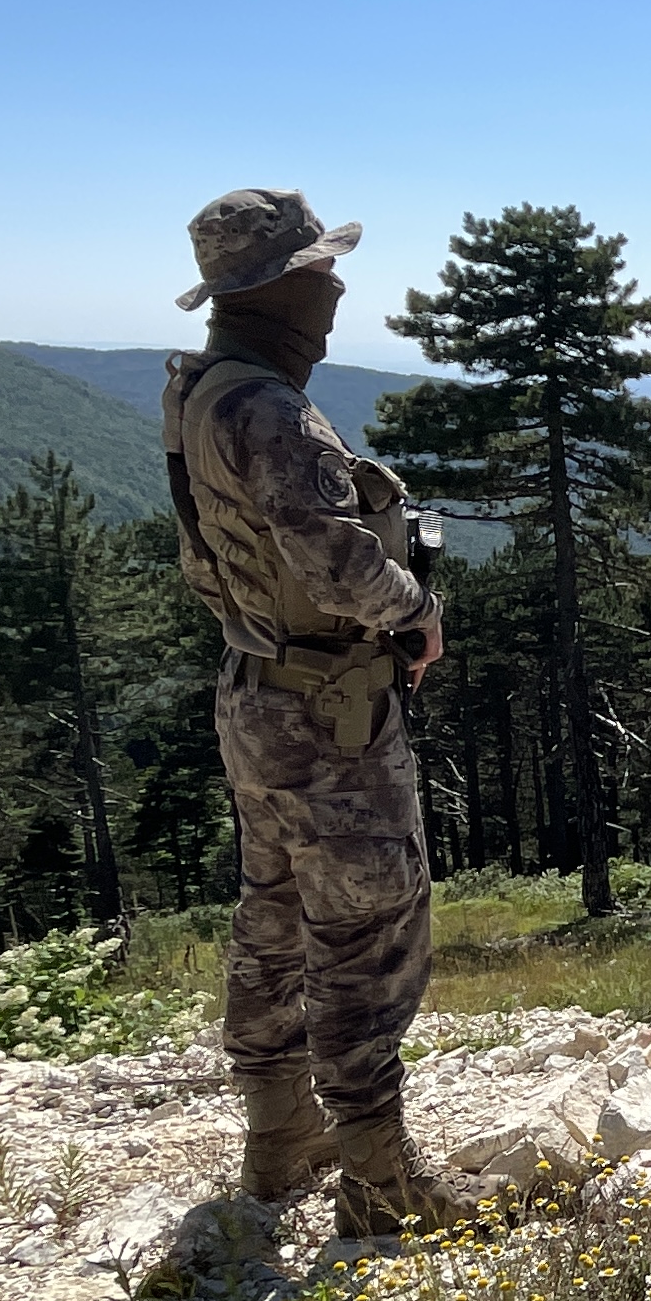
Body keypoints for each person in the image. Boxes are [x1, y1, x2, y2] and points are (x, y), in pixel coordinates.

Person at [162, 187, 462, 1238]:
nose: (335, 286)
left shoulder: (201, 391)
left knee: (276, 910)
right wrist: (417, 613)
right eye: (320, 269)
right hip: (328, 707)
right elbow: (335, 562)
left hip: (256, 687)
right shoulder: (271, 410)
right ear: (276, 286)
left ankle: (281, 1132)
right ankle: (381, 1180)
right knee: (369, 925)